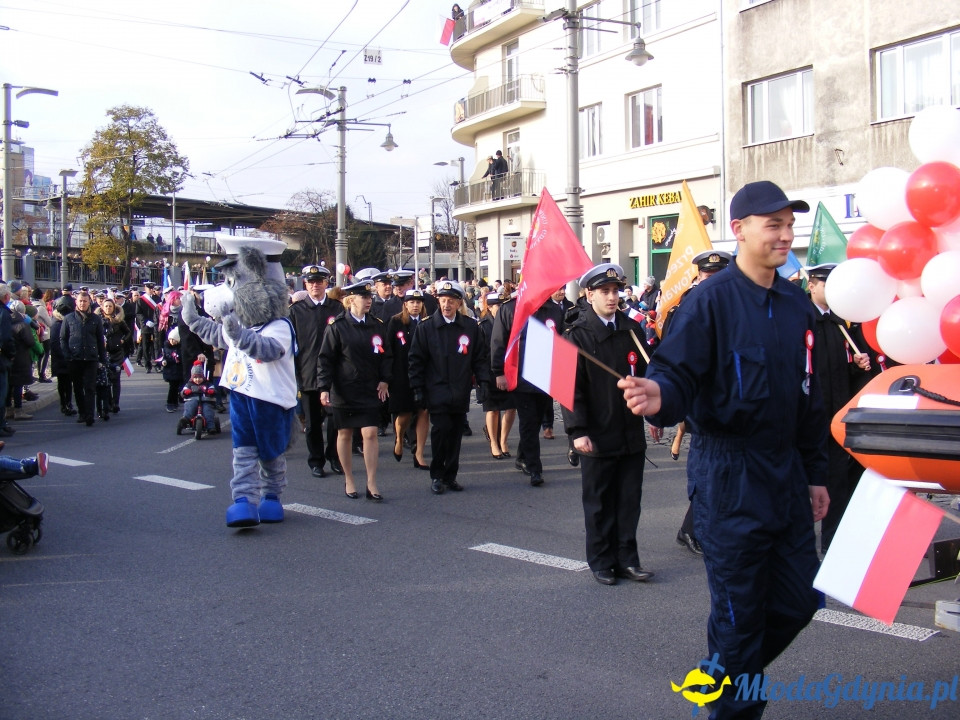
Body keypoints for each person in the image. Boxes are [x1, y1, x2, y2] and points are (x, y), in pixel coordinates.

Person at [618, 180, 829, 720]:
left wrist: (814, 475)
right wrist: (658, 394)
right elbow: (675, 375)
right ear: (739, 230)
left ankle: (719, 674)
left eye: (789, 224)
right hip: (728, 475)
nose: (785, 235)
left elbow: (810, 401)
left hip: (783, 470)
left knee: (801, 599)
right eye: (773, 224)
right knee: (739, 619)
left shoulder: (796, 306)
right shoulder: (709, 302)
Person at [563, 263, 652, 585]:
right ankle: (601, 560)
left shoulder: (632, 330)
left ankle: (628, 558)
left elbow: (646, 376)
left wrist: (653, 412)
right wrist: (578, 431)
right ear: (589, 294)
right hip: (596, 431)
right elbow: (569, 390)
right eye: (605, 292)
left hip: (630, 430)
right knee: (599, 502)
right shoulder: (576, 335)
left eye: (616, 291)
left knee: (629, 500)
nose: (613, 297)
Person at [663, 248, 733, 555]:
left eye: (719, 277)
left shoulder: (738, 307)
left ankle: (711, 526)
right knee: (710, 469)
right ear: (698, 276)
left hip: (734, 401)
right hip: (704, 400)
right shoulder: (686, 310)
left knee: (729, 470)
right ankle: (691, 529)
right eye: (708, 276)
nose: (713, 282)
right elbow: (672, 356)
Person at [806, 263, 873, 553]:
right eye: (825, 283)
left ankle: (833, 543)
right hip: (810, 416)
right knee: (804, 482)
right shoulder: (803, 320)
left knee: (836, 481)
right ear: (812, 285)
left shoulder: (838, 324)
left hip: (837, 416)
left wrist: (857, 367)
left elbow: (843, 372)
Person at [408, 280, 489, 494]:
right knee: (441, 430)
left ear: (459, 303)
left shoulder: (470, 326)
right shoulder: (426, 327)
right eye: (443, 301)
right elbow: (416, 360)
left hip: (460, 390)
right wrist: (417, 389)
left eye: (451, 301)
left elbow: (479, 358)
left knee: (455, 434)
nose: (446, 305)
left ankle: (450, 475)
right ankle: (437, 475)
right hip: (436, 390)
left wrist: (484, 381)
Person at [318, 280, 391, 502]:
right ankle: (349, 478)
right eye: (364, 297)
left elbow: (387, 356)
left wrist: (385, 380)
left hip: (369, 388)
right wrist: (324, 387)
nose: (369, 301)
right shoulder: (337, 326)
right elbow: (326, 360)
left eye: (370, 297)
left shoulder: (377, 325)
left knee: (369, 433)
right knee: (345, 433)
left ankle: (371, 481)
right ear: (351, 300)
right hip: (344, 389)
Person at [490, 294, 564, 487]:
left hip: (545, 374)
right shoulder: (509, 309)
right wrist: (498, 372)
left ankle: (522, 456)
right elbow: (498, 341)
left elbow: (562, 341)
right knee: (529, 422)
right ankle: (535, 468)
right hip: (521, 374)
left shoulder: (554, 309)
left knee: (537, 419)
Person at [288, 264, 343, 478]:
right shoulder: (296, 311)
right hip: (308, 373)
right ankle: (316, 461)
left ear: (326, 283)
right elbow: (290, 345)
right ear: (305, 284)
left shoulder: (337, 308)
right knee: (312, 424)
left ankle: (334, 457)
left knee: (335, 421)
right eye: (311, 282)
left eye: (319, 281)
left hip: (334, 375)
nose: (315, 286)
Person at [385, 289, 430, 469]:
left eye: (418, 302)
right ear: (405, 304)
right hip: (401, 375)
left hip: (423, 374)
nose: (415, 305)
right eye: (412, 302)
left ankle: (418, 453)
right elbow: (388, 350)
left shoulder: (428, 322)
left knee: (423, 412)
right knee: (404, 413)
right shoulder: (395, 322)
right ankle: (399, 437)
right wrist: (387, 377)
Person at [477, 290, 516, 459]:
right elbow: (479, 354)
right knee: (493, 409)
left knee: (511, 407)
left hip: (509, 371)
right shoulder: (483, 326)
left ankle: (503, 440)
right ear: (489, 308)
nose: (500, 309)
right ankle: (493, 442)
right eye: (496, 306)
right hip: (489, 373)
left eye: (502, 305)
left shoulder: (511, 323)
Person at [60, 291, 108, 427]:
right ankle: (82, 412)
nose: (82, 303)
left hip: (91, 359)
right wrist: (67, 355)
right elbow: (63, 339)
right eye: (80, 301)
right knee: (78, 387)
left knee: (90, 387)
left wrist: (102, 359)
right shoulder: (69, 319)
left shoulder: (95, 319)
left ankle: (89, 414)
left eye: (85, 301)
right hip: (75, 359)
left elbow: (99, 340)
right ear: (76, 302)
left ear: (89, 302)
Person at [97, 297, 131, 414]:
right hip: (104, 353)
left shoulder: (119, 320)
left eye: (110, 306)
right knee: (105, 379)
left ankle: (116, 403)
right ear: (102, 308)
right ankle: (109, 402)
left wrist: (122, 340)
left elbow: (128, 332)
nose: (108, 308)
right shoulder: (98, 321)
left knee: (115, 379)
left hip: (117, 353)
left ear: (114, 308)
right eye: (106, 306)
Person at [49, 297, 76, 416]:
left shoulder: (67, 322)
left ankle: (68, 403)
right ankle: (64, 404)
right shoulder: (56, 324)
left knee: (68, 383)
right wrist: (65, 355)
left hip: (68, 358)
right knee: (62, 383)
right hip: (61, 359)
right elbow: (55, 343)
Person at [179, 358, 219, 435]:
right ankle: (186, 419)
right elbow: (182, 392)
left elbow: (213, 390)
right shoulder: (189, 384)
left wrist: (211, 391)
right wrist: (185, 392)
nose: (197, 380)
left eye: (200, 377)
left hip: (205, 400)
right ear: (192, 377)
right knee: (190, 406)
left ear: (203, 377)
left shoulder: (207, 384)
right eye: (195, 378)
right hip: (192, 399)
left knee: (208, 411)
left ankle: (211, 426)